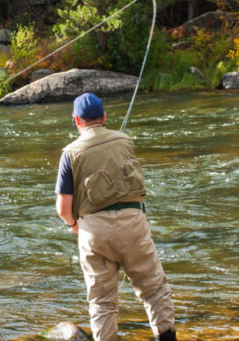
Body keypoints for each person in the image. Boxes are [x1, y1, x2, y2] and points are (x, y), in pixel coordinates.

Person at [55, 93, 176, 341]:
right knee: (154, 289)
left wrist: (73, 224)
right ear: (104, 117)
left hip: (94, 233)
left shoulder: (69, 153)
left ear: (77, 120)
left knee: (102, 302)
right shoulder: (125, 140)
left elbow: (63, 208)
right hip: (133, 224)